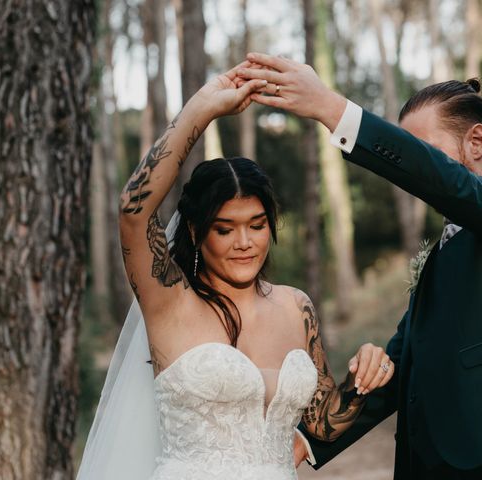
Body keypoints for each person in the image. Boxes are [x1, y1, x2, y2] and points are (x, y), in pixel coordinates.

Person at [238, 53, 482, 479]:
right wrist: (309, 439)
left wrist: (331, 108)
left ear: (476, 141)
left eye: (423, 151)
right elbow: (398, 366)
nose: (417, 171)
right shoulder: (440, 257)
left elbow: (458, 189)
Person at [76, 62, 394, 480]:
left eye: (257, 226)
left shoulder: (297, 306)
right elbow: (134, 212)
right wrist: (201, 110)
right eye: (224, 229)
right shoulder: (169, 301)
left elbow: (323, 423)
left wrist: (362, 378)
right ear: (195, 230)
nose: (244, 242)